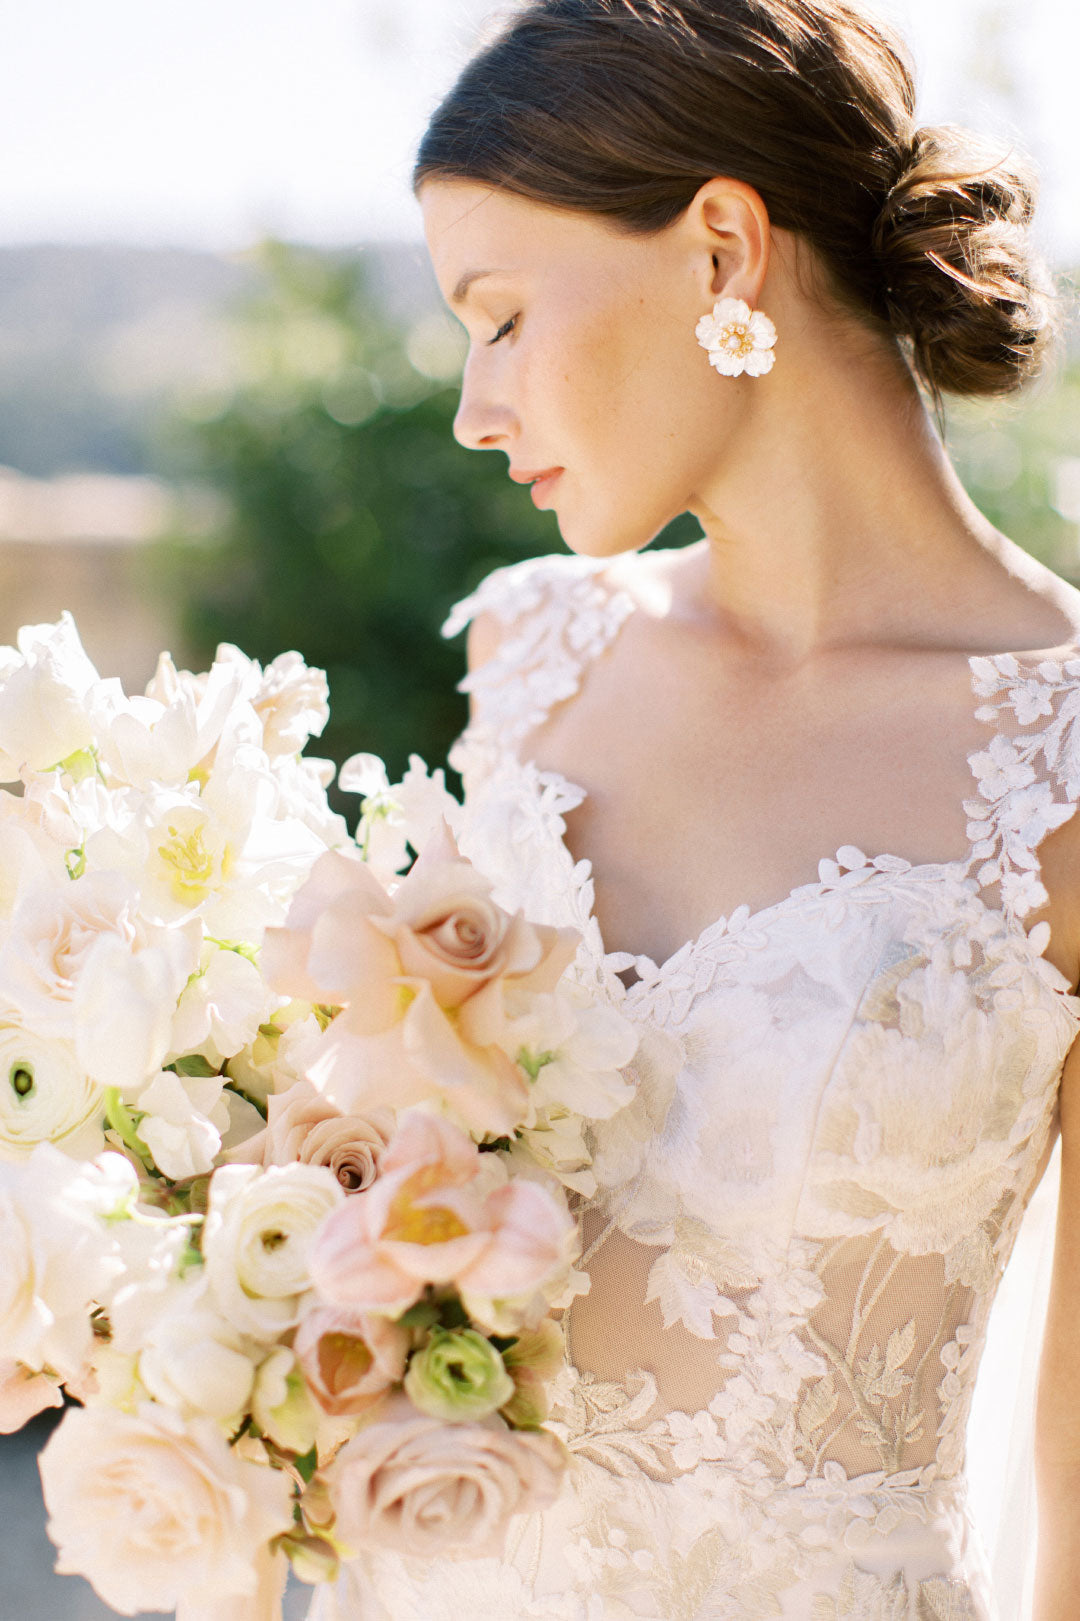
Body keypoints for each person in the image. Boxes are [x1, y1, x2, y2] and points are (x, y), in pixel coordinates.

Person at [315, 2, 1080, 1616]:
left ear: (722, 250)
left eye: (504, 317)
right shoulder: (534, 654)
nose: (474, 403)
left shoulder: (1064, 755)